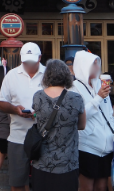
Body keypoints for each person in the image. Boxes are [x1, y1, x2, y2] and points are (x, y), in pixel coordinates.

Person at [31, 59, 86, 191]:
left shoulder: (38, 96)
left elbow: (37, 120)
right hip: (68, 163)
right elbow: (82, 125)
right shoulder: (76, 98)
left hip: (42, 162)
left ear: (46, 76)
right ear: (67, 76)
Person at [0, 42, 45, 191]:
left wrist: (40, 113)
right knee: (17, 182)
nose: (29, 65)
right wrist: (15, 109)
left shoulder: (49, 73)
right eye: (26, 62)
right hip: (18, 137)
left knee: (44, 182)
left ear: (40, 58)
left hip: (44, 136)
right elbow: (1, 102)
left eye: (32, 61)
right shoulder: (12, 75)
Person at [71, 50, 114, 191]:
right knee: (86, 187)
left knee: (102, 186)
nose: (98, 66)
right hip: (87, 146)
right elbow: (79, 116)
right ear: (85, 66)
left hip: (106, 146)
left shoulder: (100, 85)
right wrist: (98, 98)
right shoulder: (74, 88)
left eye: (97, 62)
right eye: (94, 63)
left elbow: (109, 113)